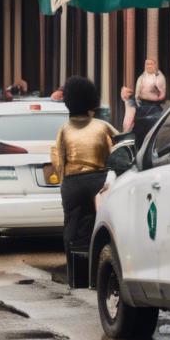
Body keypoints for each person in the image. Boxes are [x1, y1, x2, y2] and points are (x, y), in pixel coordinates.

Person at [51, 76, 116, 258]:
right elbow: (119, 150)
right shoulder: (102, 127)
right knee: (101, 224)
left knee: (72, 227)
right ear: (91, 101)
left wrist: (64, 180)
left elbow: (59, 158)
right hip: (99, 181)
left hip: (72, 183)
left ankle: (75, 271)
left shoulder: (64, 129)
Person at [132, 58, 166, 146]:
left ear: (155, 65)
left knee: (153, 131)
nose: (149, 66)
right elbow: (137, 94)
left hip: (154, 107)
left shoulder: (159, 77)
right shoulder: (141, 77)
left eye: (151, 64)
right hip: (142, 107)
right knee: (140, 133)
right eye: (147, 64)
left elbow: (162, 94)